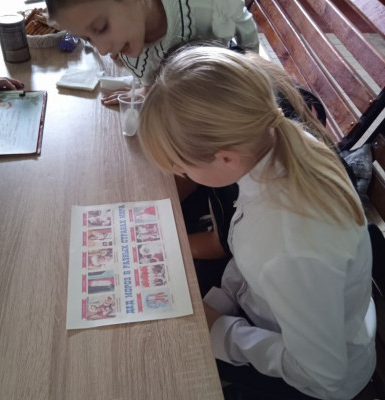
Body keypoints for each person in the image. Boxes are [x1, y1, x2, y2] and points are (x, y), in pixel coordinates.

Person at [137, 45, 376, 400]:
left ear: (226, 158)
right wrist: (221, 301)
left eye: (183, 166)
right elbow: (250, 252)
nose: (183, 175)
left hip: (317, 380)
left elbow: (322, 374)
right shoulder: (279, 142)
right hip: (287, 317)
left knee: (158, 362)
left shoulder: (287, 244)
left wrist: (222, 331)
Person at [44, 0, 259, 105]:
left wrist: (253, 77)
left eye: (101, 28)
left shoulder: (205, 6)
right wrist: (147, 90)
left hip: (221, 96)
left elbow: (244, 26)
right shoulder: (129, 31)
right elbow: (151, 66)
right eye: (88, 39)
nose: (102, 49)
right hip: (181, 104)